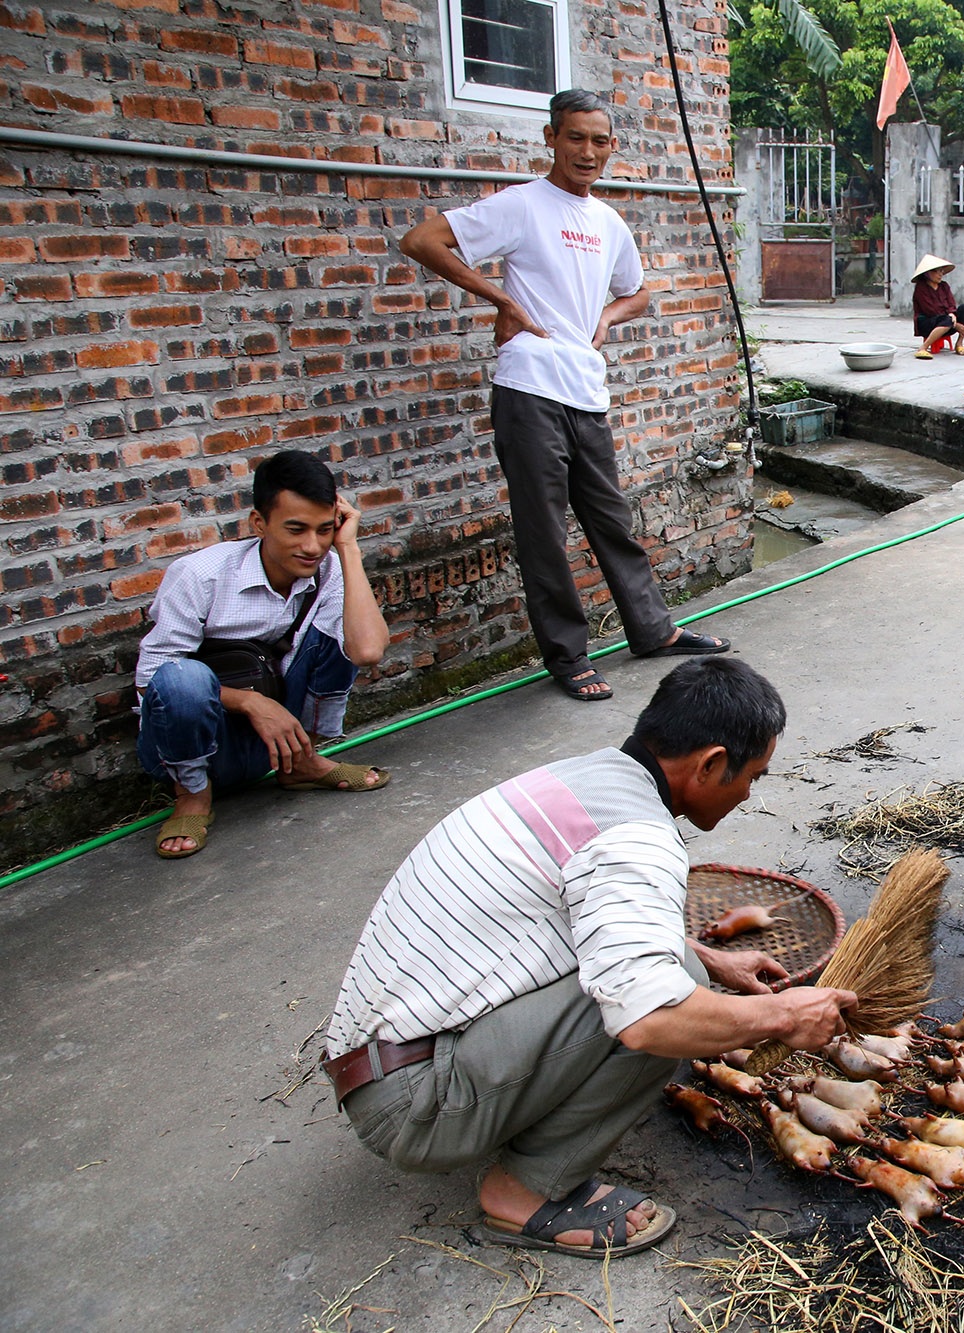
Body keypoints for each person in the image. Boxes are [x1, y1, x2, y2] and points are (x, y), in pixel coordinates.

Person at [323, 657, 856, 1259]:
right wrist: (786, 1017)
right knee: (665, 1000)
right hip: (412, 1106)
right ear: (709, 764)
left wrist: (713, 959)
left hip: (374, 1061)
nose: (750, 792)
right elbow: (652, 1018)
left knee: (678, 968)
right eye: (751, 776)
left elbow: (573, 920)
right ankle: (523, 1191)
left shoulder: (581, 780)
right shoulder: (636, 839)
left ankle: (511, 1111)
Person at [398, 88, 727, 705]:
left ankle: (653, 631)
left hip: (585, 388)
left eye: (600, 140)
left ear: (611, 147)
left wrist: (607, 318)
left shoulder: (607, 221)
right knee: (544, 531)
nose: (587, 151)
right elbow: (422, 241)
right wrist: (502, 301)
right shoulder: (521, 205)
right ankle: (567, 655)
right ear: (551, 138)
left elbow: (639, 292)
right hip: (528, 387)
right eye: (575, 137)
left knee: (610, 519)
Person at [136, 450, 392, 859]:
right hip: (202, 744)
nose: (312, 545)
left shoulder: (328, 565)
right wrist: (249, 702)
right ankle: (192, 796)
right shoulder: (200, 575)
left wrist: (349, 550)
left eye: (324, 529)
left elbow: (366, 649)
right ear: (259, 523)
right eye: (296, 529)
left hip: (278, 741)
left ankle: (303, 763)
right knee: (180, 678)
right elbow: (152, 681)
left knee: (346, 628)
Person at [910, 254, 964, 358]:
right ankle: (923, 348)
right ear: (927, 273)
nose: (940, 275)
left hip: (947, 321)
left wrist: (952, 314)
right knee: (947, 319)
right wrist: (954, 323)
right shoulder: (921, 289)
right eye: (937, 271)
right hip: (928, 322)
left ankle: (959, 343)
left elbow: (951, 303)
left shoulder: (944, 286)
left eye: (941, 272)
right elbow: (930, 310)